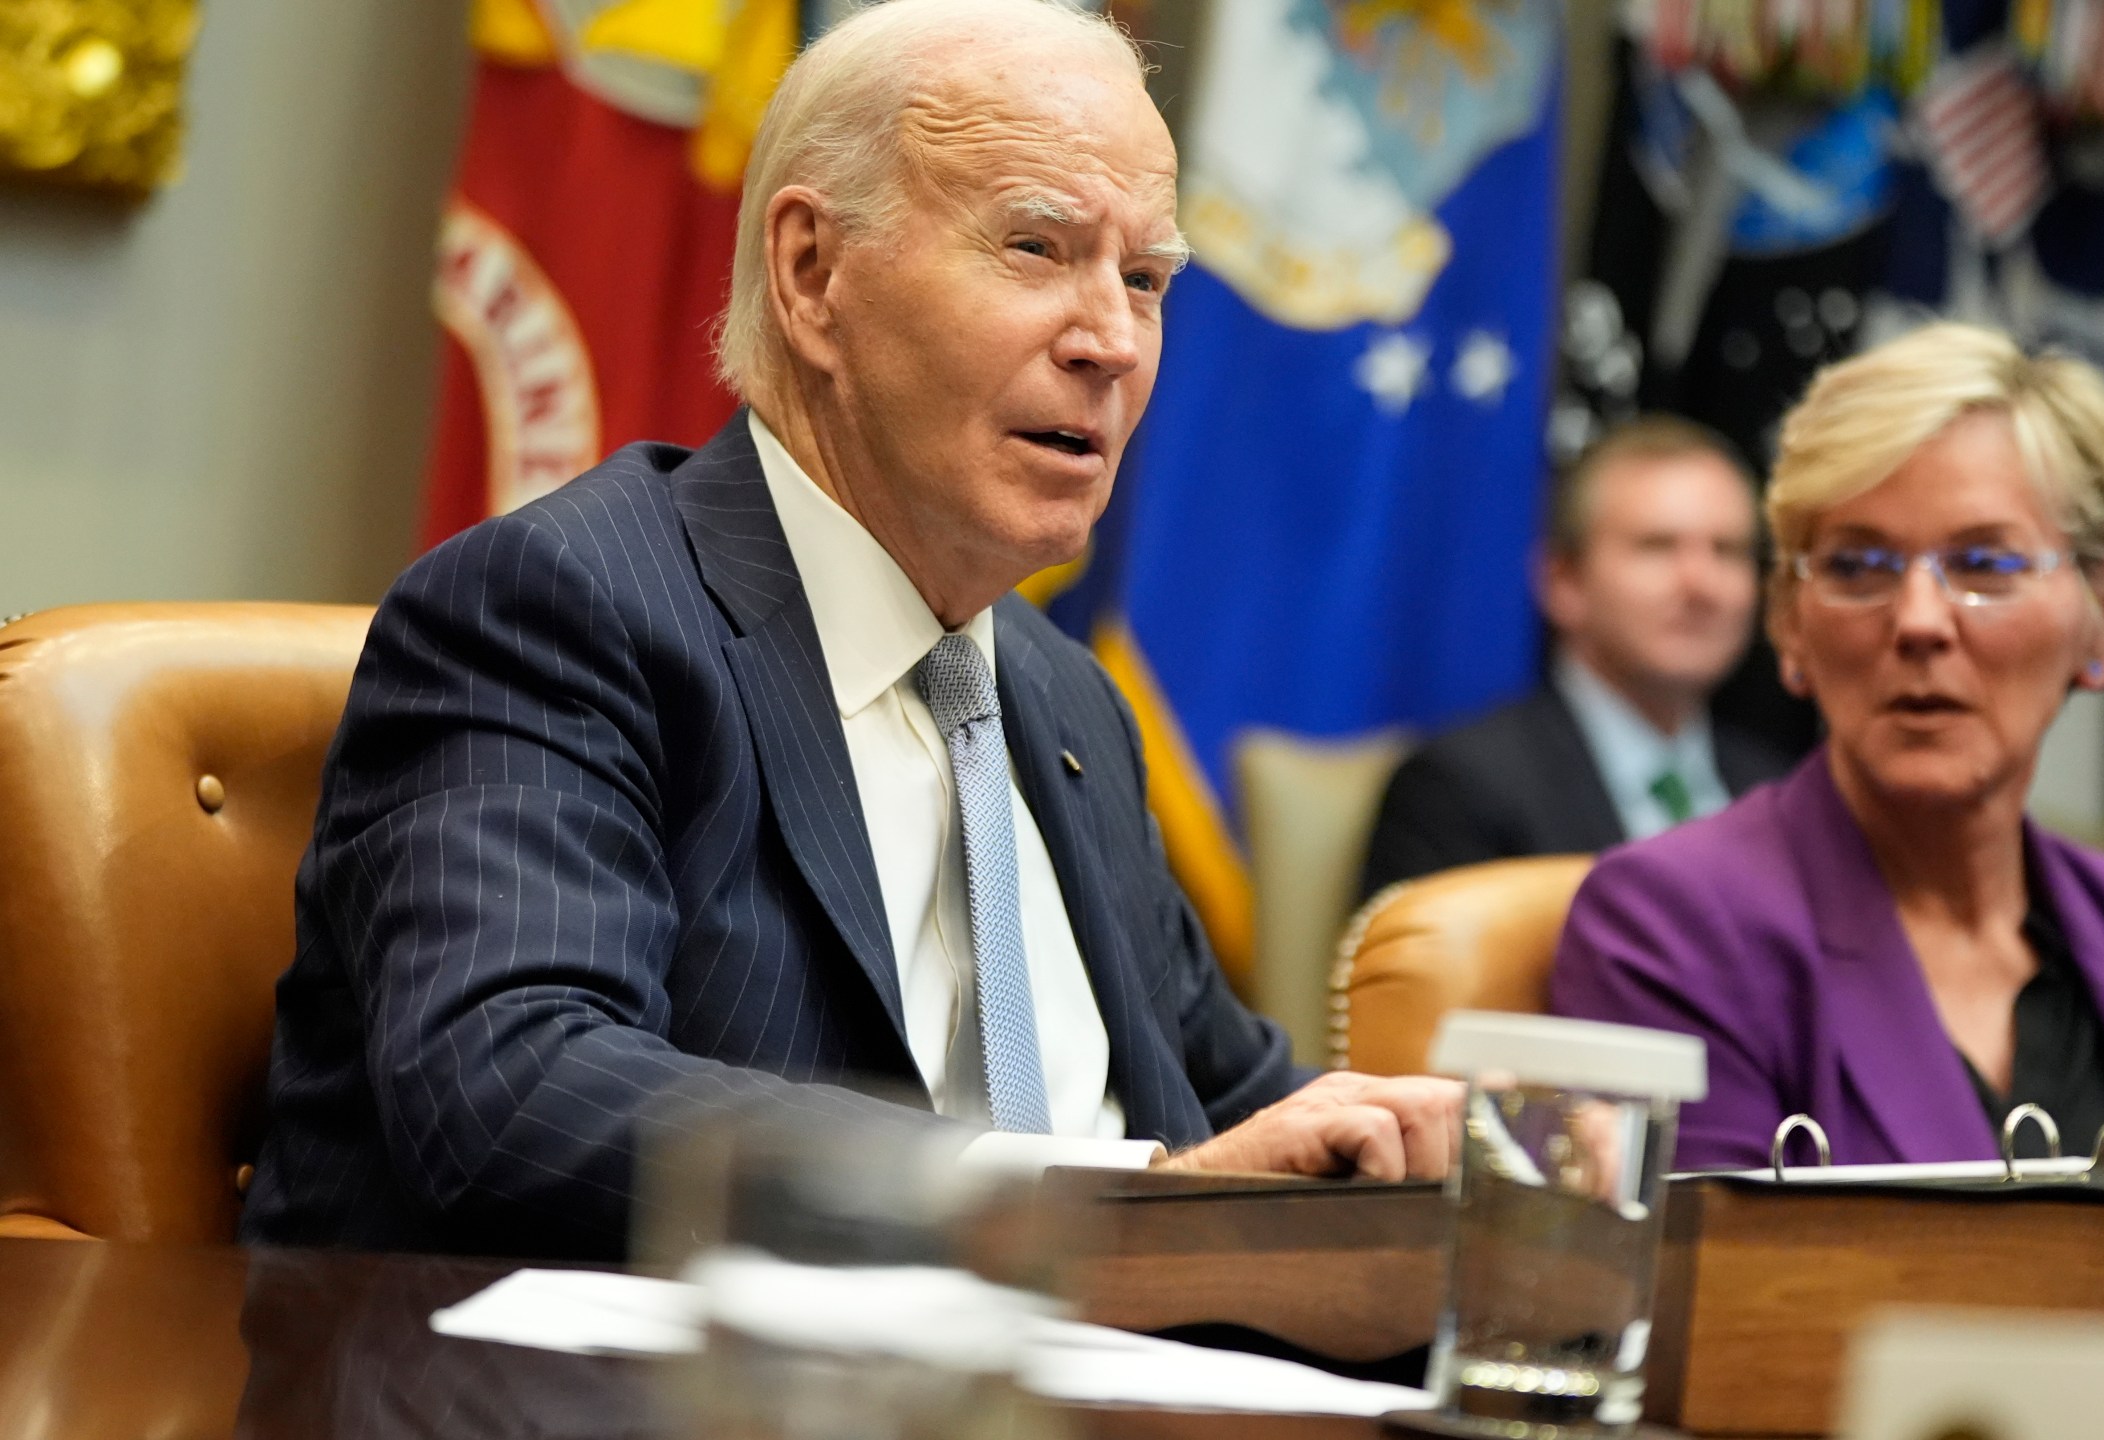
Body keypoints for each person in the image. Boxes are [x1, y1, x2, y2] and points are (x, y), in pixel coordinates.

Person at [241, 0, 1458, 1259]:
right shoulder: (561, 610)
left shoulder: (1059, 697)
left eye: (1145, 279)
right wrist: (1087, 1212)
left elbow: (1229, 1114)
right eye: (1037, 248)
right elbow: (515, 1092)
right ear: (813, 273)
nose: (1112, 342)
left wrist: (1451, 1177)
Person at [1547, 322, 2104, 1171]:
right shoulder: (1672, 927)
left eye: (1983, 566)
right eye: (1859, 567)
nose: (1919, 621)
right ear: (1789, 622)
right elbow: (1722, 1298)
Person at [1360, 417, 1792, 900]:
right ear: (1565, 583)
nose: (1700, 584)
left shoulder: (1780, 792)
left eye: (1728, 551)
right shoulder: (1460, 788)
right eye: (1657, 547)